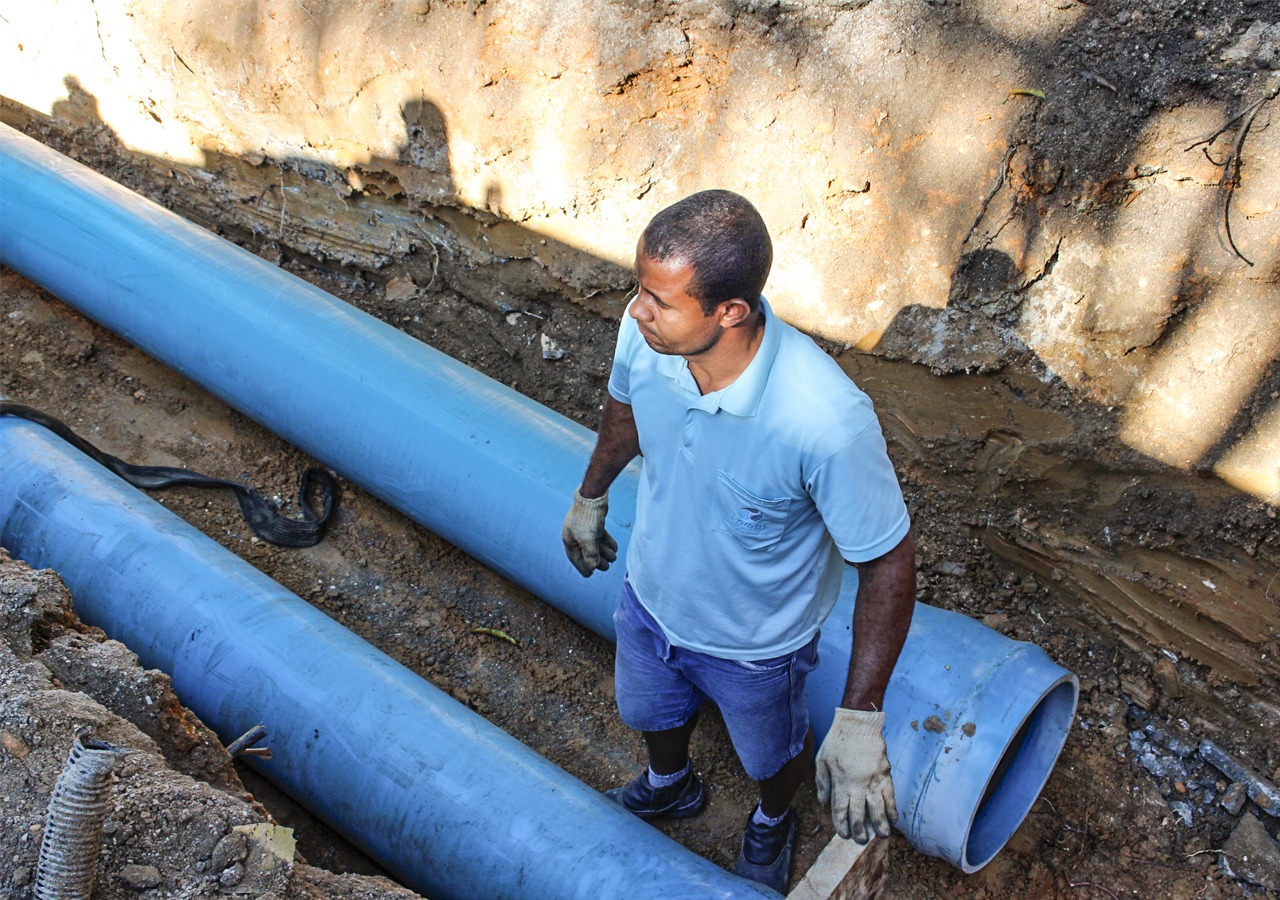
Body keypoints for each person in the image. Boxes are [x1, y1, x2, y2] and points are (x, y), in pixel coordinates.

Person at [561, 190, 915, 893]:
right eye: (641, 290)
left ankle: (771, 819)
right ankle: (671, 783)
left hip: (756, 648)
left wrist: (860, 720)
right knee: (646, 710)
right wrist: (590, 494)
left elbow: (887, 563)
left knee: (771, 755)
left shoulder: (824, 420)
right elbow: (624, 411)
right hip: (651, 597)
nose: (637, 311)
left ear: (730, 312)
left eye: (660, 301)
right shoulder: (649, 333)